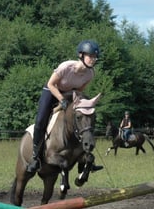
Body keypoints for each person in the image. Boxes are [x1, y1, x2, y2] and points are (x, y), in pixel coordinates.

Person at [28, 40, 104, 174]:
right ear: (81, 55)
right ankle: (36, 158)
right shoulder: (66, 67)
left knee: (82, 117)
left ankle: (85, 159)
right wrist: (61, 100)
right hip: (51, 91)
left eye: (95, 57)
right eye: (90, 56)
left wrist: (76, 103)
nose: (93, 59)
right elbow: (51, 84)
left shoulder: (90, 73)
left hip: (70, 94)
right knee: (40, 121)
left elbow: (79, 90)